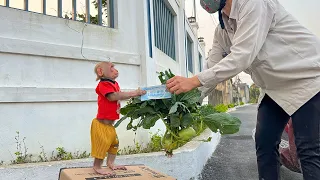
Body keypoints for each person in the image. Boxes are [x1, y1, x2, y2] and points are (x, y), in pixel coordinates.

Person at [166, 0, 320, 179]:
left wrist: (194, 81)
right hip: (273, 89)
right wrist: (186, 103)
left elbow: (242, 56)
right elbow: (211, 68)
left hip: (305, 78)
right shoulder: (222, 30)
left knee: (308, 150)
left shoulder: (253, 4)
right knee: (265, 143)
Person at [91, 62, 146, 175]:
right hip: (101, 125)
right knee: (102, 145)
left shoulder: (114, 83)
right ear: (101, 72)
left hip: (110, 125)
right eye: (111, 68)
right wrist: (134, 93)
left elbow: (119, 95)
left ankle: (110, 163)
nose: (115, 70)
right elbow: (113, 97)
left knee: (114, 144)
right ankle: (97, 166)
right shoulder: (103, 84)